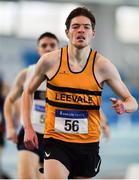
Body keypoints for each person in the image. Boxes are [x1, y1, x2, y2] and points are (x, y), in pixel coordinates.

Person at [22, 7, 138, 179]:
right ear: (67, 32)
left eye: (86, 27)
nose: (81, 30)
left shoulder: (103, 66)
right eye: (76, 26)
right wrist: (28, 128)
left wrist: (124, 106)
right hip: (56, 141)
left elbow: (132, 101)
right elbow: (28, 92)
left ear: (93, 33)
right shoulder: (49, 61)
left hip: (87, 145)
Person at [4, 32, 59, 179]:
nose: (48, 48)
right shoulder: (26, 74)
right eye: (44, 45)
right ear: (38, 50)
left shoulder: (67, 76)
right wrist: (10, 127)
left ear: (59, 49)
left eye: (52, 45)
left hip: (56, 138)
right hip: (30, 133)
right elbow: (9, 101)